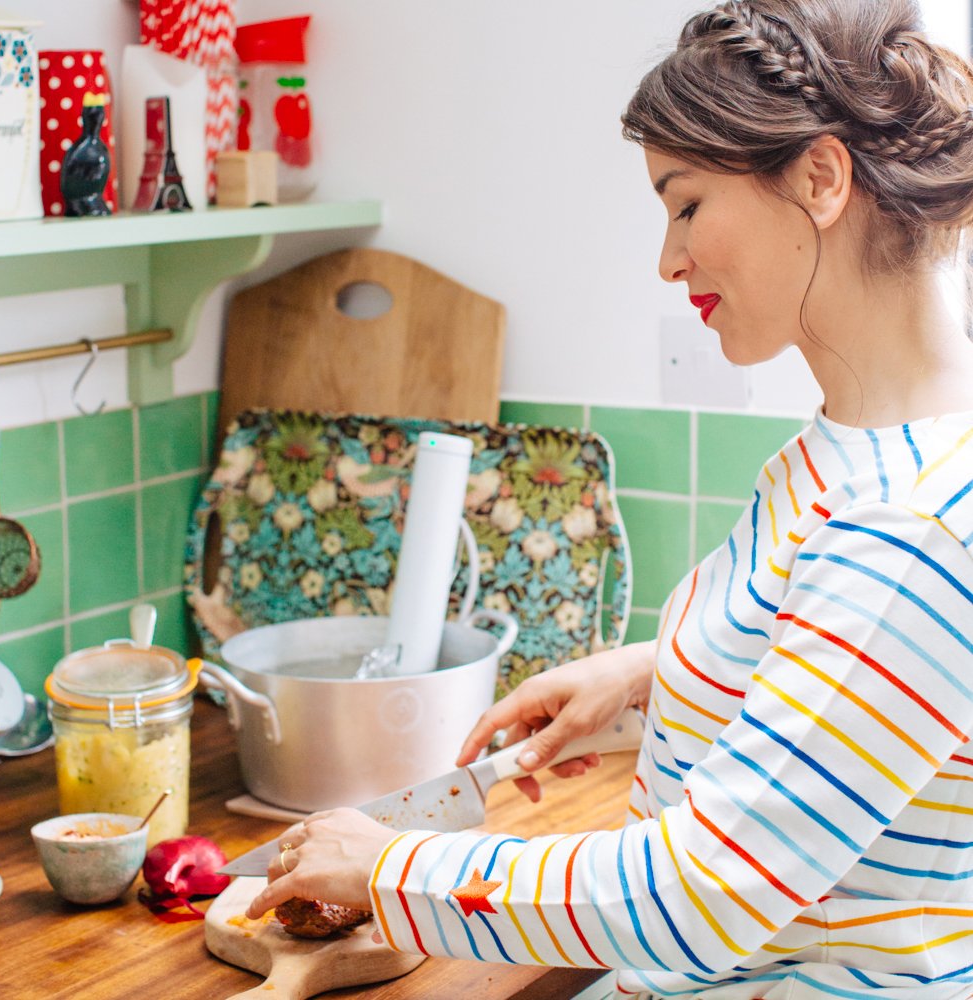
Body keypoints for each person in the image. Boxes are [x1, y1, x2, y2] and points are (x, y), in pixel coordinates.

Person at [246, 1, 973, 995]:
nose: (668, 260)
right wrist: (656, 669)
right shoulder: (859, 446)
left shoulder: (911, 528)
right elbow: (840, 657)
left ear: (819, 176)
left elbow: (702, 892)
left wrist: (387, 865)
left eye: (685, 204)